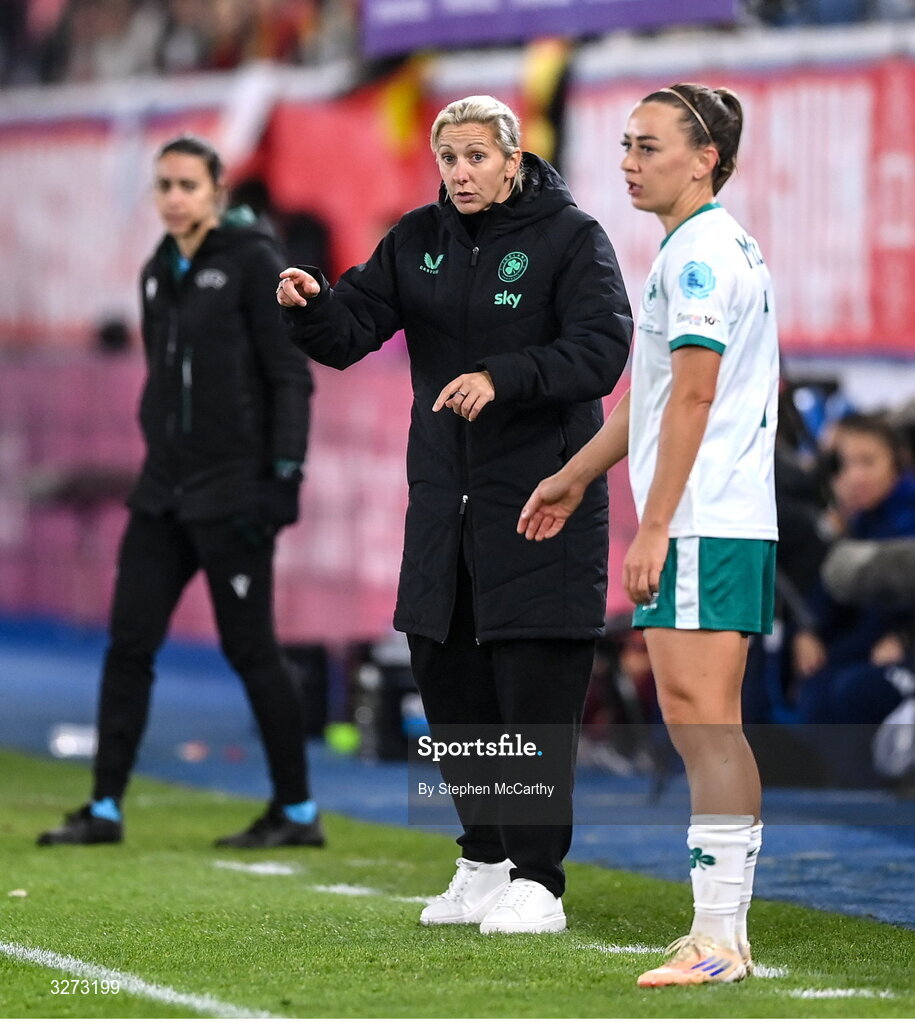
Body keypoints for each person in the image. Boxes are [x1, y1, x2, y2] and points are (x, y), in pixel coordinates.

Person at [277, 95, 632, 933]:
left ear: (514, 159)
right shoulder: (416, 241)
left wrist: (503, 376)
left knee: (532, 693)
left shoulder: (571, 239)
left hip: (538, 505)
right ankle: (483, 859)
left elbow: (602, 349)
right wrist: (311, 305)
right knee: (449, 680)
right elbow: (353, 327)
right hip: (444, 505)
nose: (460, 173)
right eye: (448, 159)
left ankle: (539, 881)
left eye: (476, 157)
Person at [518, 83, 778, 984]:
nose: (628, 162)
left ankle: (717, 941)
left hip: (704, 522)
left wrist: (654, 526)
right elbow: (658, 394)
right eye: (625, 145)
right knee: (703, 725)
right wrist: (577, 473)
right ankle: (719, 934)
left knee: (704, 727)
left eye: (649, 146)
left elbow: (695, 397)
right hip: (717, 519)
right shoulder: (700, 246)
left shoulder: (699, 256)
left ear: (704, 158)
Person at [38, 134, 323, 849]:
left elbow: (290, 376)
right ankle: (103, 807)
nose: (173, 197)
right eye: (163, 185)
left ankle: (296, 812)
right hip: (161, 492)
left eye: (187, 185)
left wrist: (283, 477)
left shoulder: (255, 264)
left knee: (250, 650)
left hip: (232, 493)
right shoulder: (156, 273)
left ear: (217, 191)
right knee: (128, 644)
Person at [791, 413, 915, 725]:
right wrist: (807, 630)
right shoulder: (855, 521)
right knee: (815, 690)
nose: (856, 475)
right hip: (866, 645)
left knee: (851, 691)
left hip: (901, 649)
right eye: (847, 465)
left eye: (868, 462)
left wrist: (904, 638)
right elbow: (827, 590)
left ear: (896, 462)